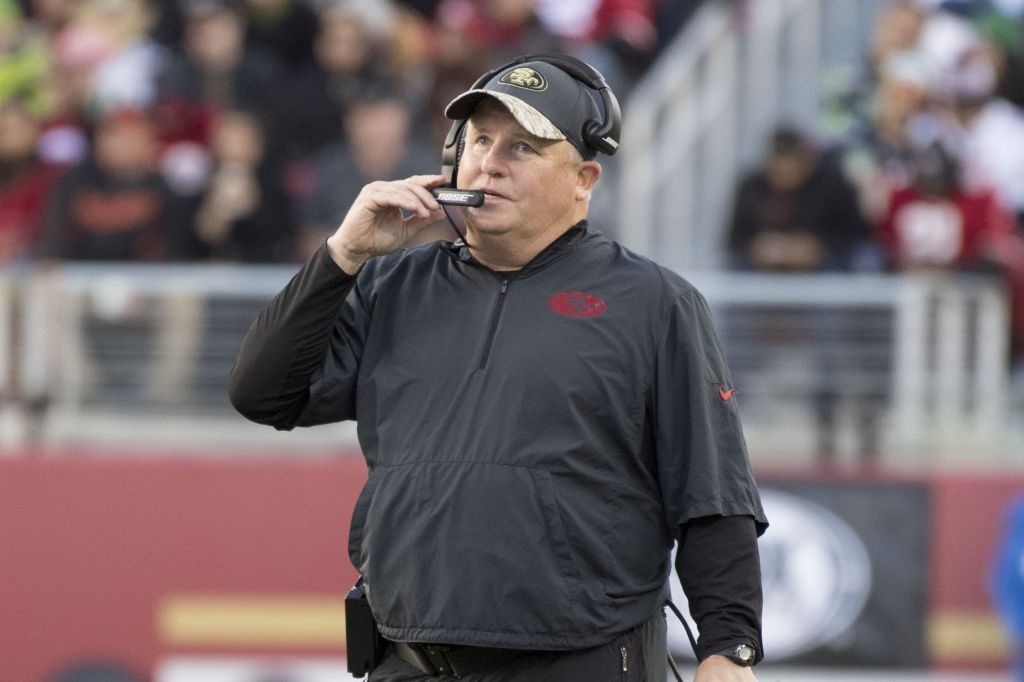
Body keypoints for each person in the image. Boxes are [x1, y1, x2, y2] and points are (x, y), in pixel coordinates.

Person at [230, 54, 767, 681]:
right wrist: (341, 255)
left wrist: (728, 649)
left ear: (583, 179)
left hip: (579, 663)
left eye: (523, 147)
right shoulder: (389, 285)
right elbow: (263, 394)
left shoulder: (654, 303)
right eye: (481, 140)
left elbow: (712, 493)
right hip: (408, 661)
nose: (490, 161)